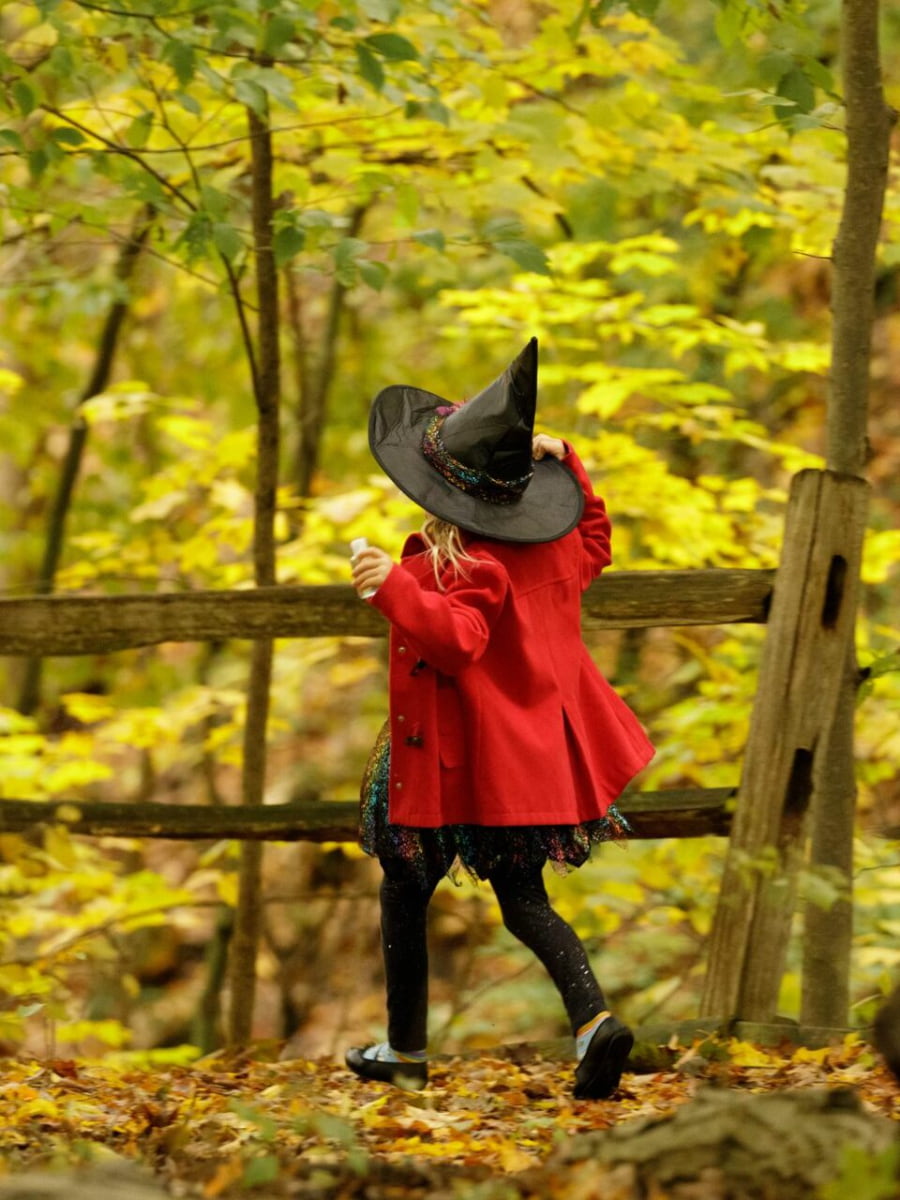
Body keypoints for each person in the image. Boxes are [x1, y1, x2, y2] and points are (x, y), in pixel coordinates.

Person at [346, 337, 654, 1100]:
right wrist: (570, 464)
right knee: (522, 898)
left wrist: (394, 587)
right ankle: (592, 1022)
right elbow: (596, 539)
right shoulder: (553, 554)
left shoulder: (470, 565)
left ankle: (406, 1049)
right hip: (525, 763)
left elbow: (458, 642)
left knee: (404, 881)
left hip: (457, 763)